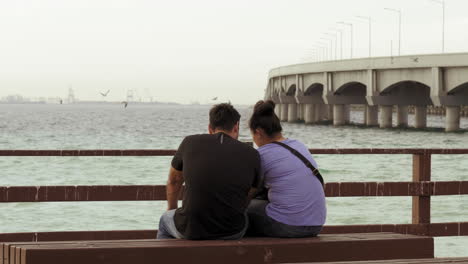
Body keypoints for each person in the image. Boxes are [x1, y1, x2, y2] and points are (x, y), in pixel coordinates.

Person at [157, 103, 261, 240]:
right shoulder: (252, 154)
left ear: (210, 128)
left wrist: (172, 209)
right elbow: (252, 192)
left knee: (165, 220)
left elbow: (174, 180)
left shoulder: (189, 142)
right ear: (236, 127)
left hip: (190, 228)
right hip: (233, 230)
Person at [247, 100, 326, 238]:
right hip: (317, 224)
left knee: (240, 210)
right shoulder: (299, 145)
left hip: (289, 226)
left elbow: (247, 193)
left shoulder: (262, 154)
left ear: (258, 132)